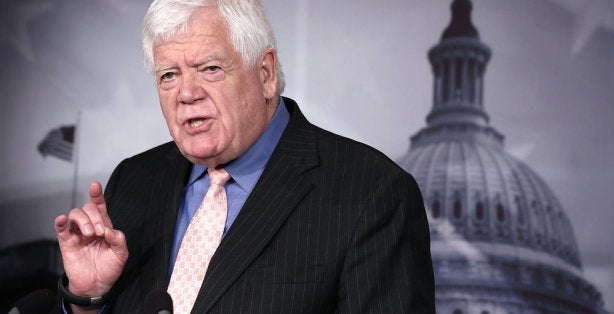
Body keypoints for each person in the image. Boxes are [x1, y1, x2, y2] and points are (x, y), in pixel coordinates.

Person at [54, 0, 435, 313]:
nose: (187, 93)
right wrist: (87, 301)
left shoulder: (371, 192)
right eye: (168, 75)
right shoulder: (132, 181)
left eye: (210, 69)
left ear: (266, 73)